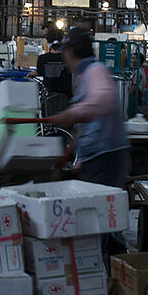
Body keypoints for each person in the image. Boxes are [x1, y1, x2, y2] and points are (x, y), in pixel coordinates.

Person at [49, 26, 130, 189]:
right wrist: (80, 160)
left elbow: (104, 100)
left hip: (107, 158)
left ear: (70, 51)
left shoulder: (95, 71)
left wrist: (72, 113)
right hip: (98, 158)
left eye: (64, 52)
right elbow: (91, 122)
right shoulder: (86, 75)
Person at [36, 28, 72, 97]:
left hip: (48, 98)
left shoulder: (42, 59)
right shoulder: (69, 58)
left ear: (48, 41)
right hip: (66, 98)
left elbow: (40, 73)